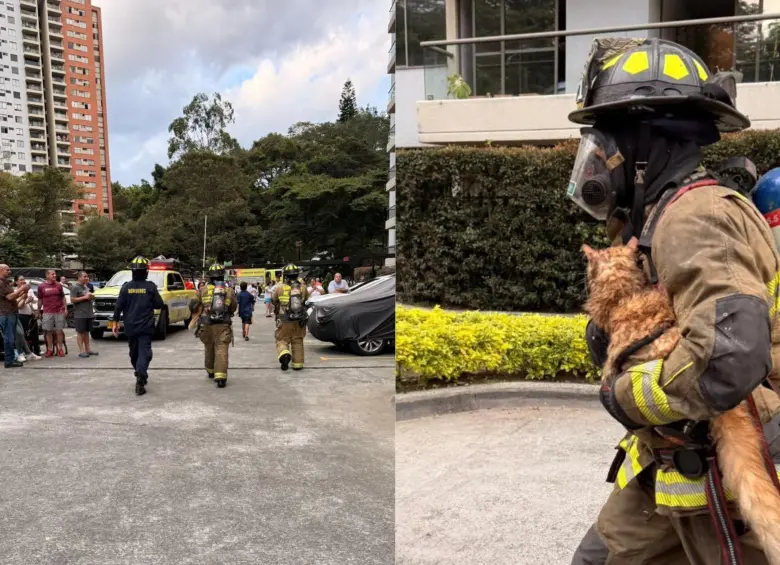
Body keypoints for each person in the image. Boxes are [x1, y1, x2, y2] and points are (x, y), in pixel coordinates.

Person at [567, 37, 780, 565]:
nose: (600, 155)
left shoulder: (695, 215)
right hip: (674, 461)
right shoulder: (664, 213)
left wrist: (627, 395)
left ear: (645, 141)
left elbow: (728, 359)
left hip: (729, 465)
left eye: (608, 136)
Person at [112, 256, 164, 396]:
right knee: (144, 352)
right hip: (146, 326)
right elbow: (159, 304)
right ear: (146, 272)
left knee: (134, 353)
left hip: (130, 327)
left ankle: (140, 373)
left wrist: (115, 322)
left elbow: (118, 306)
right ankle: (141, 374)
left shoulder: (126, 287)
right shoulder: (150, 287)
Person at [189, 263, 237, 388]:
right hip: (222, 325)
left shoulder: (202, 290)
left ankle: (210, 371)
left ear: (210, 277)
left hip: (206, 325)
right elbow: (233, 307)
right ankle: (221, 377)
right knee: (221, 348)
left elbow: (192, 306)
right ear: (222, 276)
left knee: (209, 347)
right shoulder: (229, 291)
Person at [272, 263, 308, 371]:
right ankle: (298, 364)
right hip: (299, 320)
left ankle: (284, 353)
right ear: (297, 275)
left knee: (281, 339)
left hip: (284, 320)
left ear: (286, 275)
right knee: (297, 341)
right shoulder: (303, 288)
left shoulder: (279, 288)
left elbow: (274, 301)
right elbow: (306, 301)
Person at [0, 265, 29, 369]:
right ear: (1, 271)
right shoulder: (1, 283)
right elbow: (10, 297)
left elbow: (13, 296)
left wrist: (23, 291)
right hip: (6, 314)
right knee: (9, 338)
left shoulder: (6, 282)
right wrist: (21, 288)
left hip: (11, 313)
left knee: (11, 338)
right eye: (7, 270)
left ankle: (11, 359)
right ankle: (9, 361)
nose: (10, 271)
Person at [37, 269, 67, 357]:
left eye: (55, 274)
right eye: (52, 274)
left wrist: (65, 309)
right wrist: (38, 310)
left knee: (59, 331)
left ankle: (60, 349)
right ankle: (50, 349)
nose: (54, 275)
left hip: (59, 311)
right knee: (48, 331)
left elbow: (63, 297)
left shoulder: (59, 285)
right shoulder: (41, 286)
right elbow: (40, 299)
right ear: (47, 275)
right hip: (47, 312)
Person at [71, 271, 98, 358]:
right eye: (84, 276)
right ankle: (81, 351)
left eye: (87, 276)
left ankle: (88, 349)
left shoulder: (86, 286)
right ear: (79, 277)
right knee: (80, 332)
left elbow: (90, 296)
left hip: (88, 313)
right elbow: (72, 300)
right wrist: (85, 297)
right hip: (80, 314)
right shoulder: (75, 287)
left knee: (87, 332)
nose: (86, 278)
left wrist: (91, 296)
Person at [15, 275, 40, 358]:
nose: (23, 281)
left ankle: (36, 350)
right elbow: (19, 305)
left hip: (31, 314)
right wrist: (26, 300)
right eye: (20, 280)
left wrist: (31, 299)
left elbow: (36, 299)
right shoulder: (15, 291)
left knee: (34, 333)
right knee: (24, 334)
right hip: (22, 315)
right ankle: (26, 351)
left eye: (23, 280)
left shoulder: (29, 290)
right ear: (16, 282)